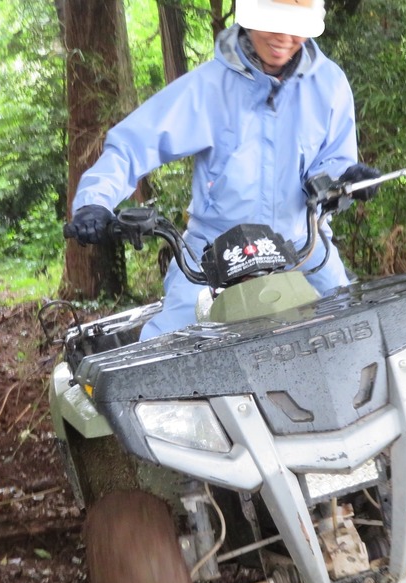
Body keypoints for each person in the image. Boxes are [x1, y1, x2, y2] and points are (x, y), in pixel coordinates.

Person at [67, 0, 379, 340]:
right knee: (166, 348)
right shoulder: (209, 87)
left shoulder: (329, 85)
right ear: (250, 18)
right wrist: (94, 202)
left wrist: (348, 179)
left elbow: (334, 161)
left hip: (302, 245)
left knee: (356, 331)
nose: (283, 37)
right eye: (273, 22)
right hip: (215, 250)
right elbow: (134, 144)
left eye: (296, 27)